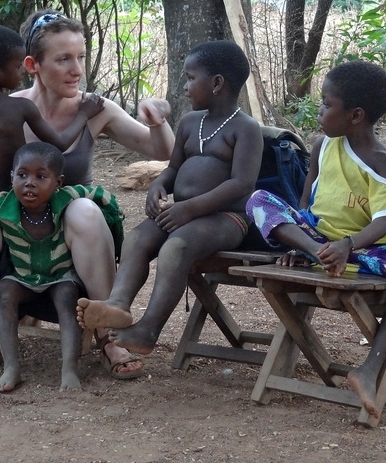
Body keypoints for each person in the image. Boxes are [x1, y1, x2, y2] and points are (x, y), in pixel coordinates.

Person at [0, 11, 175, 380]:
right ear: (31, 65)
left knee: (82, 208)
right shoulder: (9, 108)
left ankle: (107, 334)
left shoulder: (95, 108)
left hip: (73, 244)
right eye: (64, 59)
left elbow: (161, 151)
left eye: (80, 57)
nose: (76, 69)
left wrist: (157, 117)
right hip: (15, 243)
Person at [243, 60, 386, 419]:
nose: (320, 110)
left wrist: (347, 246)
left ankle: (370, 369)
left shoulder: (381, 161)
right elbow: (304, 202)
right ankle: (316, 253)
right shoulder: (322, 146)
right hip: (320, 242)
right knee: (258, 200)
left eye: (327, 104)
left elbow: (381, 222)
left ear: (355, 115)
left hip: (366, 246)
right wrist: (305, 246)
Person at [75, 40, 263, 355]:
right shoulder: (190, 123)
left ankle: (149, 329)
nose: (185, 86)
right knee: (137, 239)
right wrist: (157, 186)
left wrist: (190, 208)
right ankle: (118, 303)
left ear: (217, 83)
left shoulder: (246, 129)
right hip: (184, 214)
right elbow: (173, 167)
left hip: (228, 219)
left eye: (191, 78)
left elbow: (241, 185)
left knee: (176, 246)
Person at [0, 22, 103, 354]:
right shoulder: (19, 107)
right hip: (14, 201)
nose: (22, 74)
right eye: (17, 66)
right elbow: (58, 145)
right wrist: (84, 114)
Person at [0, 142, 123, 392]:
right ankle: (8, 363)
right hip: (21, 277)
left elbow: (105, 198)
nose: (29, 183)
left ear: (59, 182)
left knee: (67, 296)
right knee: (5, 291)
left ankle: (71, 368)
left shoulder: (66, 199)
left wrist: (117, 242)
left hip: (61, 276)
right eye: (22, 175)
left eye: (41, 177)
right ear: (12, 178)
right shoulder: (1, 203)